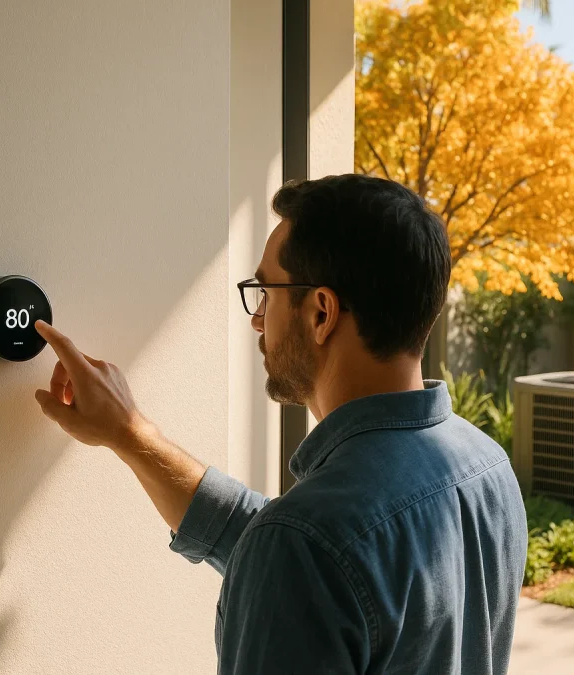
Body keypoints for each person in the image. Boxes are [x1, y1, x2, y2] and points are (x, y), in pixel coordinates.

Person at [33, 174, 528, 674]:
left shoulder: (305, 541)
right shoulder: (487, 469)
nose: (257, 318)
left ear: (321, 313)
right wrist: (130, 433)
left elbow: (304, 549)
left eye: (266, 292)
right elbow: (299, 550)